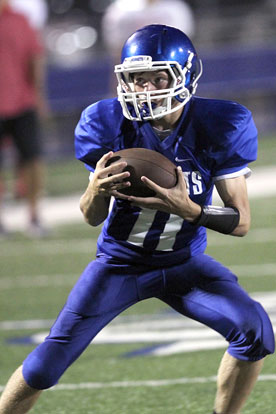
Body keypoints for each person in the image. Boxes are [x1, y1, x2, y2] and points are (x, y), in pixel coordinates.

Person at [0, 24, 274, 414]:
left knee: (255, 332)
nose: (145, 89)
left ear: (186, 75)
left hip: (184, 264)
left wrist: (189, 210)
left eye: (157, 78)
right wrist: (95, 190)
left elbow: (241, 222)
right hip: (118, 264)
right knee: (45, 366)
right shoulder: (107, 122)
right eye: (136, 79)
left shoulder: (221, 124)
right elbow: (90, 217)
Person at [0, 0, 47, 237]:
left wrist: (38, 96)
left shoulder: (20, 20)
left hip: (22, 101)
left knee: (32, 160)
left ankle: (34, 216)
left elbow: (35, 58)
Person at [102, 0, 195, 94]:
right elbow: (118, 55)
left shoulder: (175, 8)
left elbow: (183, 50)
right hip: (135, 67)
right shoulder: (120, 10)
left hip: (169, 66)